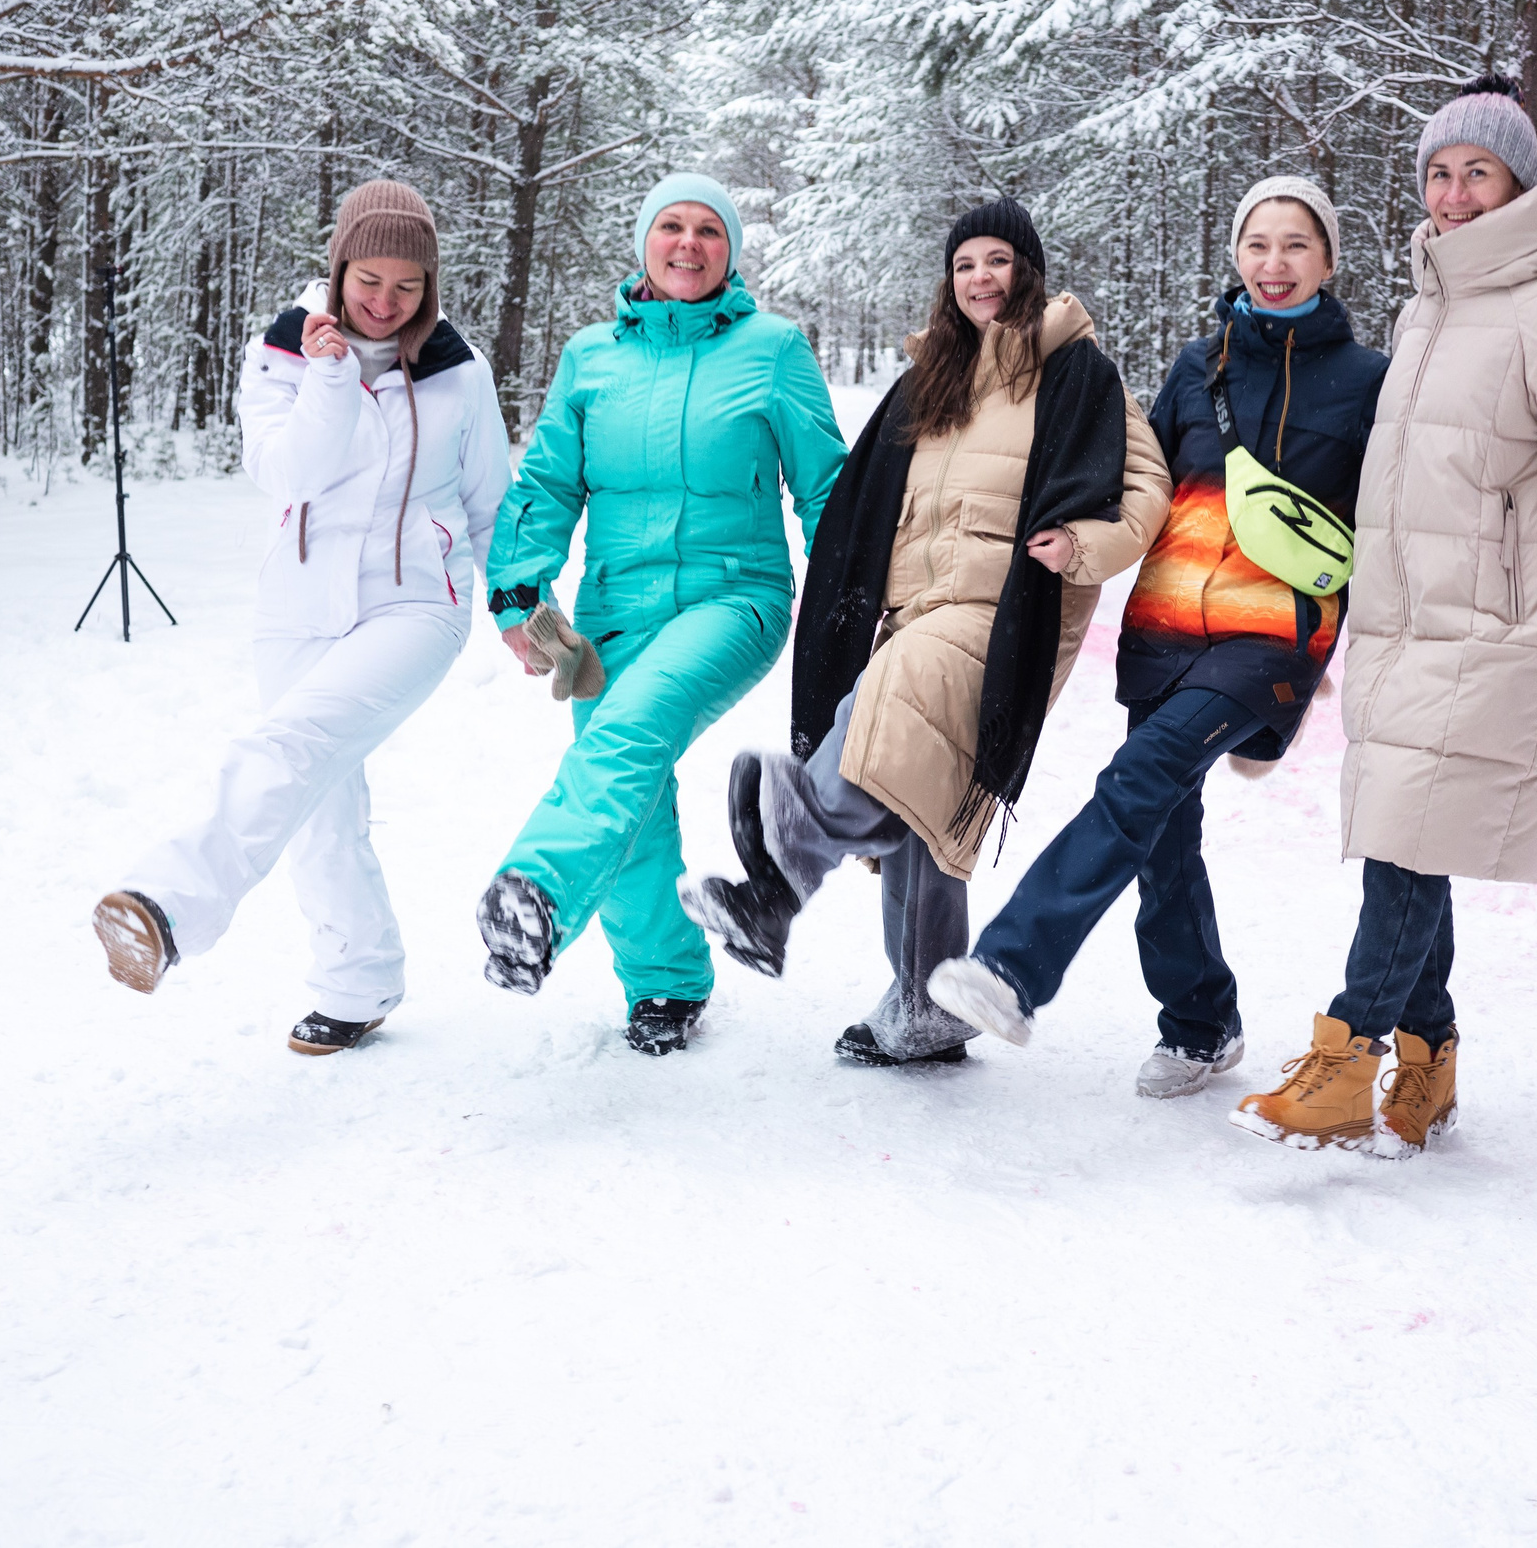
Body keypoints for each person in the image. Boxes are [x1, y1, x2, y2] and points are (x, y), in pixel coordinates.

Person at [1229, 74, 1537, 1153]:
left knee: (1405, 837)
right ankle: (1427, 1062)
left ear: (1518, 184)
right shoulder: (1427, 308)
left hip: (1504, 626)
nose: (1450, 195)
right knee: (1413, 832)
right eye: (1437, 174)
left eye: (1474, 173)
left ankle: (1348, 1058)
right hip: (1413, 621)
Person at [921, 178, 1387, 1098]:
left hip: (1272, 639)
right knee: (1165, 836)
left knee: (1135, 783)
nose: (1275, 263)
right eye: (1258, 243)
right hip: (1167, 625)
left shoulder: (1371, 381)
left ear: (1330, 261)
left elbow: (1389, 523)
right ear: (1236, 256)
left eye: (1297, 245)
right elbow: (1137, 486)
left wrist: (1346, 643)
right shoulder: (1196, 366)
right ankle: (1203, 1024)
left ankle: (1014, 966)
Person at [679, 197, 1172, 1066]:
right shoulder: (931, 379)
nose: (982, 279)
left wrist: (1083, 546)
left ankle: (785, 868)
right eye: (965, 265)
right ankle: (926, 1008)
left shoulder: (1075, 372)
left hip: (1006, 608)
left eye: (997, 261)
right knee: (921, 805)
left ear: (1028, 268)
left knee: (887, 709)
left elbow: (1145, 492)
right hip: (914, 609)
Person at [92, 180, 511, 1054]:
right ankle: (357, 984)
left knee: (289, 748)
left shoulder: (457, 371)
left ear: (428, 285)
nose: (385, 302)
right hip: (296, 606)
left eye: (407, 286)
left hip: (416, 603)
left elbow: (489, 503)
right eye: (369, 279)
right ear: (339, 265)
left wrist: (517, 606)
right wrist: (329, 376)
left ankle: (167, 904)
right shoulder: (281, 352)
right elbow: (289, 475)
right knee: (320, 800)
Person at [473, 173, 844, 1055]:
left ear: (732, 252)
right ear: (643, 243)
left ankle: (536, 889)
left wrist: (853, 613)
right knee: (630, 794)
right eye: (670, 227)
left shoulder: (774, 349)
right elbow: (549, 483)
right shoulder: (590, 356)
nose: (688, 243)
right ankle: (665, 983)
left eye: (708, 231)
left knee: (632, 729)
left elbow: (829, 488)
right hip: (612, 609)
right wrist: (520, 592)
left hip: (735, 596)